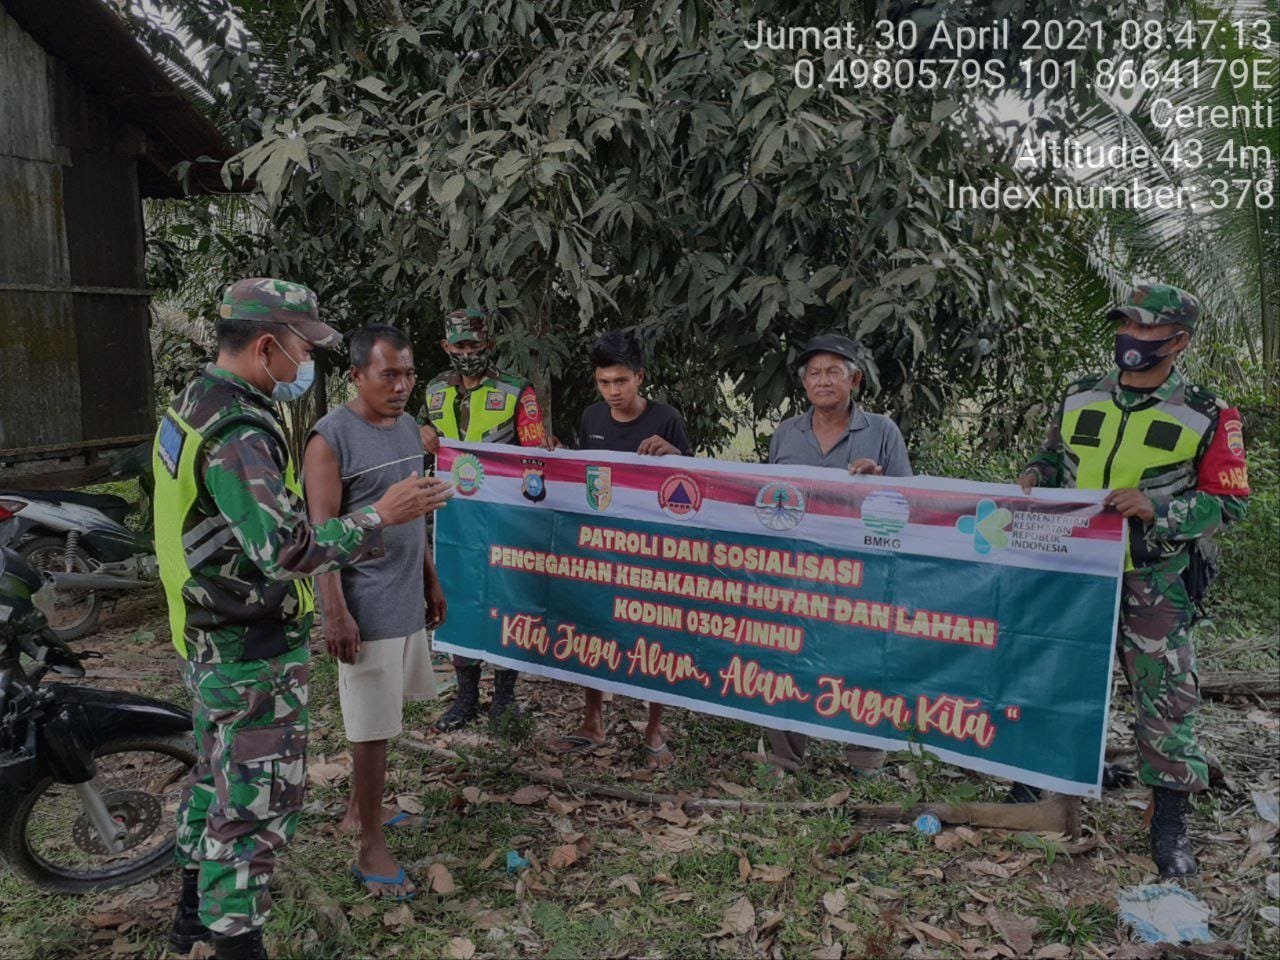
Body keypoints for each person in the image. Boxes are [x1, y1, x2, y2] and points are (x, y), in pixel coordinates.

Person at [154, 279, 450, 960]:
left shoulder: (194, 403)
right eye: (302, 349)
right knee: (251, 807)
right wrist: (381, 514)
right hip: (245, 646)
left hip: (205, 631)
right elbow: (287, 547)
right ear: (266, 346)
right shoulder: (238, 431)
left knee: (214, 777)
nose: (304, 364)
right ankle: (236, 943)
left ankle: (190, 919)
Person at [1016, 284, 1249, 878]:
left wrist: (1158, 510)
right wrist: (1032, 475)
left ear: (1179, 341)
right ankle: (1039, 782)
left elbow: (1228, 503)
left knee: (1166, 700)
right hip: (1072, 572)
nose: (1134, 341)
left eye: (1149, 332)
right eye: (1128, 328)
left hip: (1154, 578)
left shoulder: (1208, 411)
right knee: (1053, 676)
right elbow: (1053, 460)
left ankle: (1169, 822)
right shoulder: (1079, 394)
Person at [304, 325, 449, 901]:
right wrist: (334, 612)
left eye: (408, 373)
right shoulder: (330, 438)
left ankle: (357, 809)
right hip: (363, 604)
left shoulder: (409, 428)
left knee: (386, 717)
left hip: (405, 593)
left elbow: (412, 511)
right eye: (389, 374)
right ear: (356, 376)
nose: (402, 385)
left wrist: (430, 578)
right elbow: (320, 535)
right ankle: (369, 843)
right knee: (371, 727)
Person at [765, 333, 912, 777]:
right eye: (814, 372)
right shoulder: (787, 433)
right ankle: (783, 757)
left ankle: (866, 760)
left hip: (860, 574)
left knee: (864, 659)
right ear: (804, 383)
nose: (822, 380)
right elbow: (769, 500)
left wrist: (879, 483)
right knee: (789, 654)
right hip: (797, 571)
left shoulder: (882, 431)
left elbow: (908, 504)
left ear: (856, 380)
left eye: (833, 371)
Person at [549, 331, 692, 770]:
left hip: (653, 550)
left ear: (639, 378)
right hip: (600, 548)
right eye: (604, 382)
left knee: (655, 636)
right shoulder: (592, 417)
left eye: (621, 381)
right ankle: (593, 721)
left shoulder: (667, 419)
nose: (613, 391)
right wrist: (559, 457)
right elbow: (584, 478)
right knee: (593, 628)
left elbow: (694, 487)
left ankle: (654, 729)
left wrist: (673, 456)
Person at [421, 307, 548, 732]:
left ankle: (505, 696)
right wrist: (420, 435)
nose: (468, 352)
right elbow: (425, 443)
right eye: (459, 345)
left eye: (475, 344)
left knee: (504, 603)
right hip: (453, 519)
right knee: (457, 602)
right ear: (446, 347)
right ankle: (467, 696)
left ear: (489, 345)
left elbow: (535, 453)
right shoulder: (434, 390)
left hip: (504, 517)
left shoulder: (516, 391)